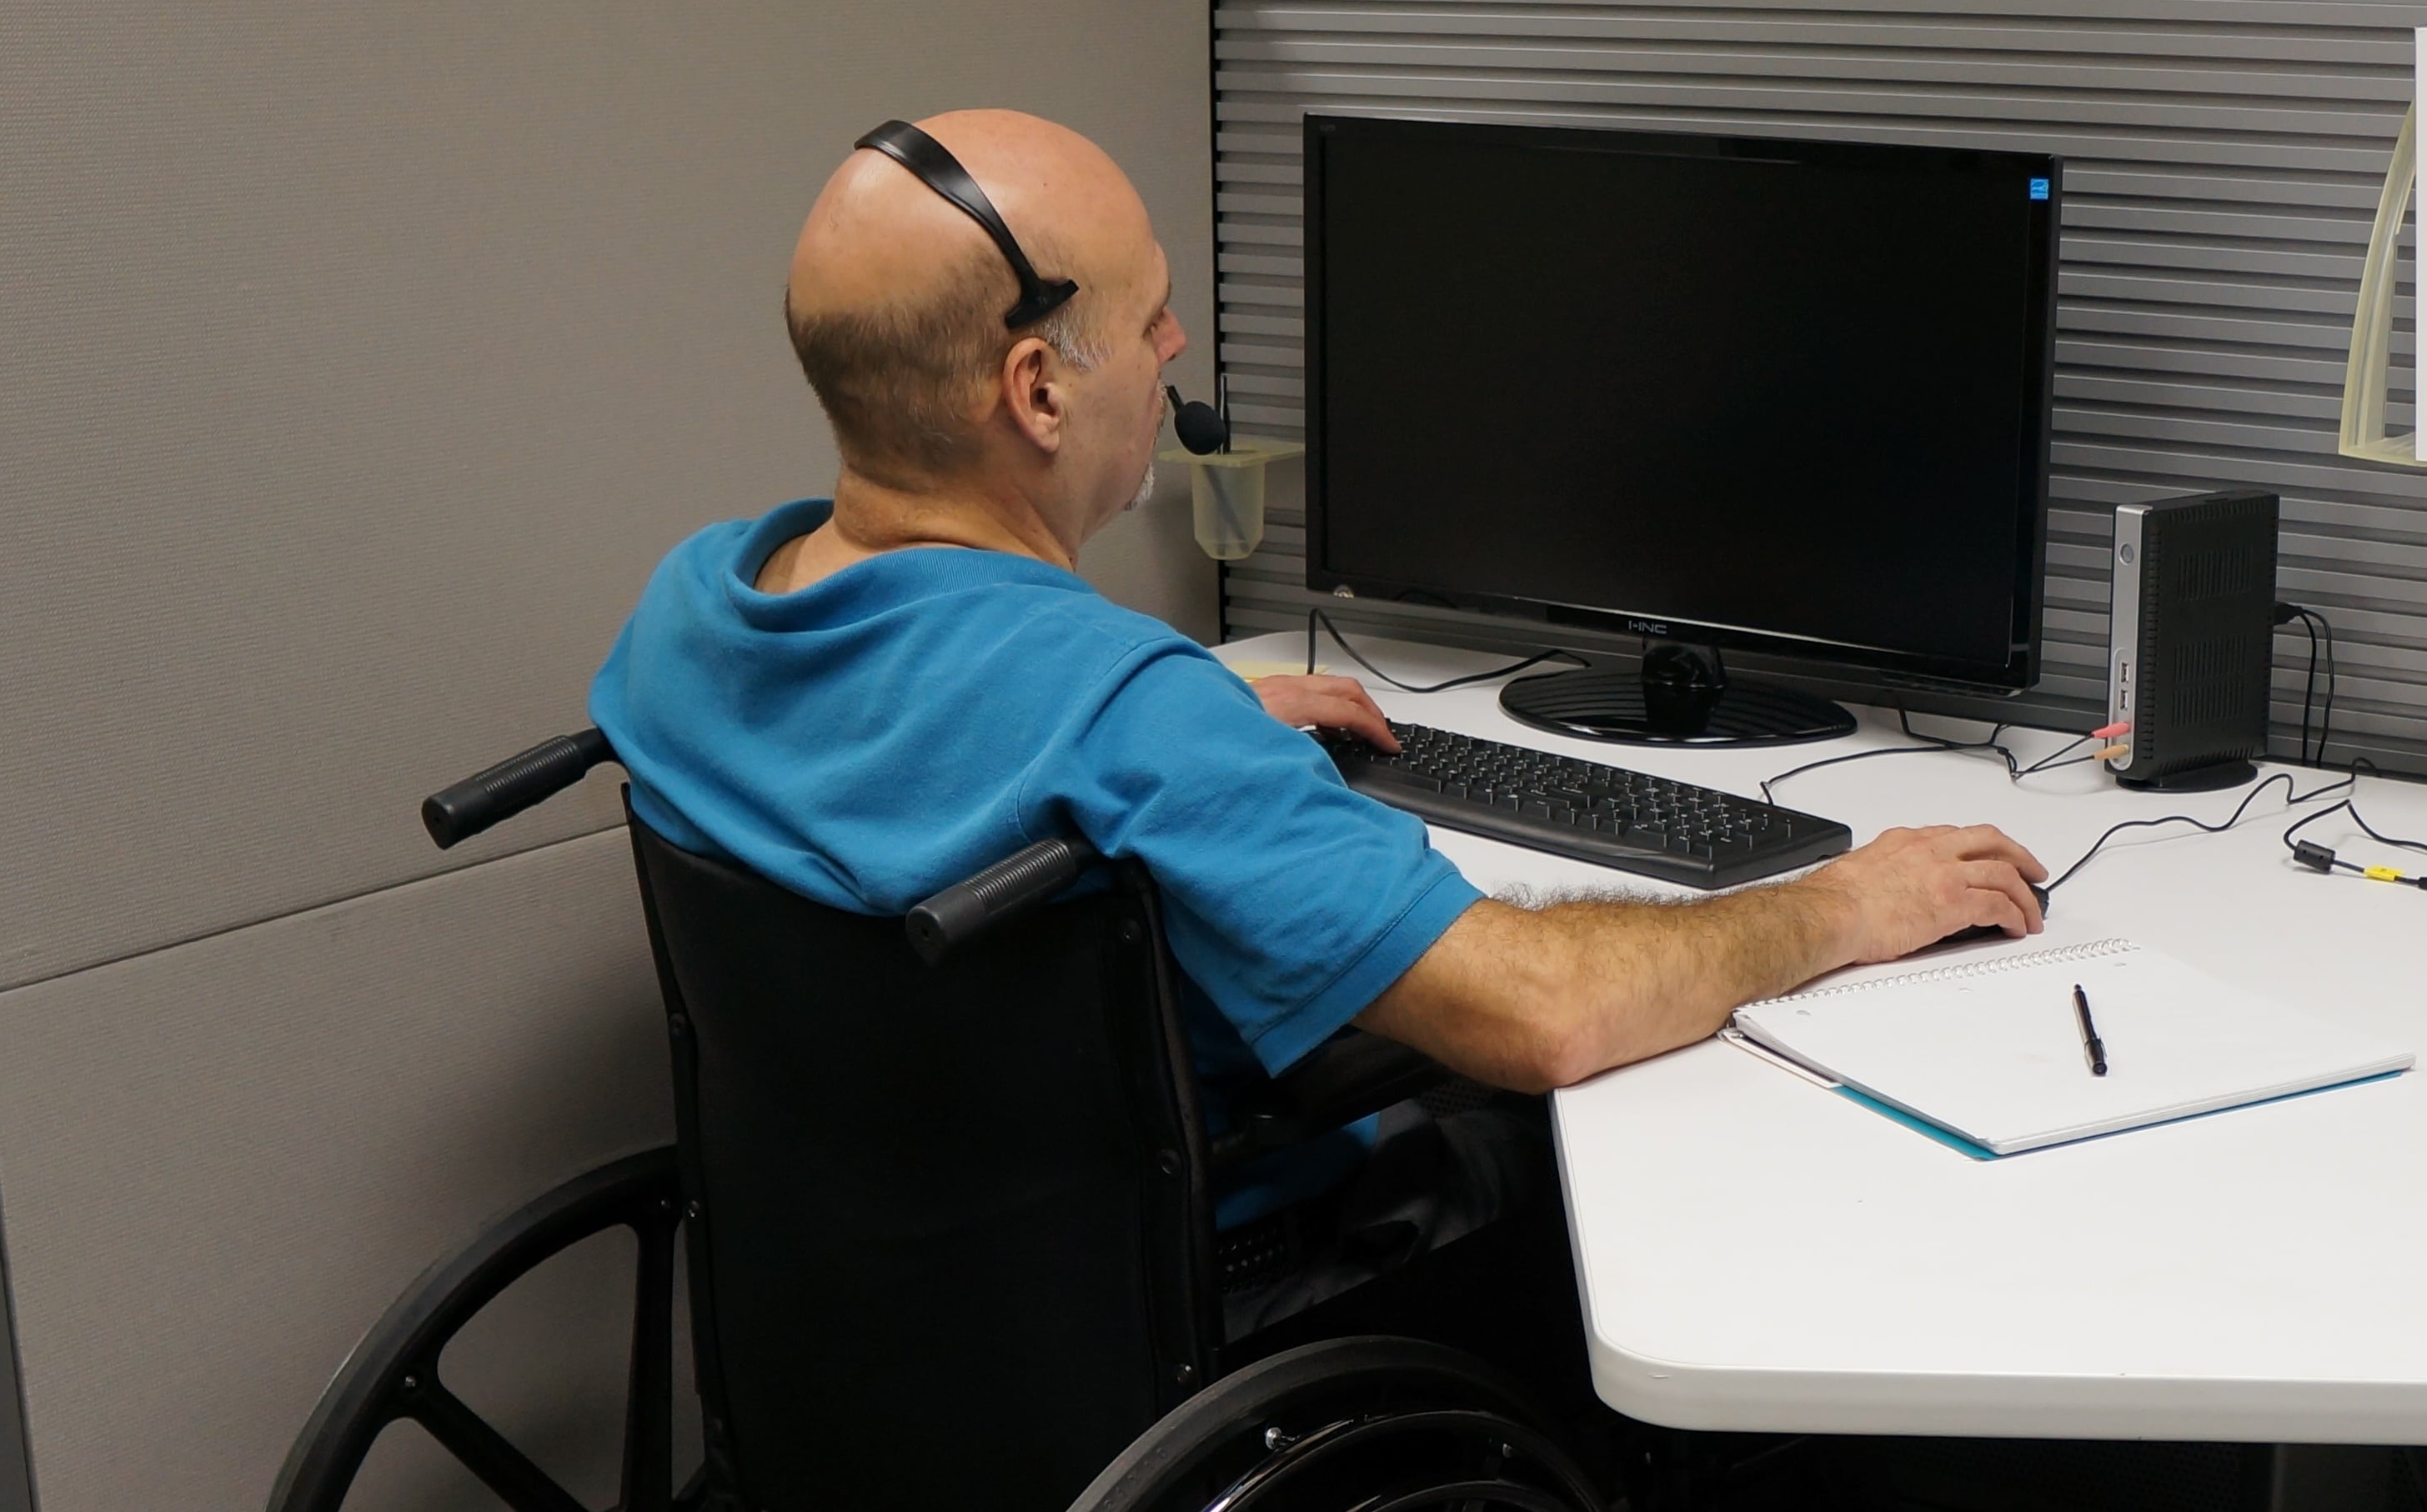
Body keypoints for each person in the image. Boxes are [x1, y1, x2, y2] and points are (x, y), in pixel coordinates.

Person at [593, 110, 2048, 1323]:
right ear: (1036, 388)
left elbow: (914, 734)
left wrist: (1179, 712)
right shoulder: (1126, 717)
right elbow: (1543, 1018)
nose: (1174, 345)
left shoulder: (694, 609)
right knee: (1646, 1155)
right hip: (1203, 1299)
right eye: (1147, 312)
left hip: (880, 1302)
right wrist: (1847, 901)